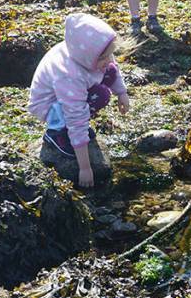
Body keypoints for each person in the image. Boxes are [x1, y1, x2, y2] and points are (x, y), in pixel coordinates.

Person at [28, 13, 130, 188]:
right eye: (103, 57)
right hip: (49, 105)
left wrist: (122, 92)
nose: (108, 60)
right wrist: (85, 167)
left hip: (70, 92)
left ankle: (70, 133)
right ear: (88, 56)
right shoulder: (69, 74)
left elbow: (112, 68)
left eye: (109, 54)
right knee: (101, 95)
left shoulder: (93, 53)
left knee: (107, 77)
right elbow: (76, 114)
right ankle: (56, 132)